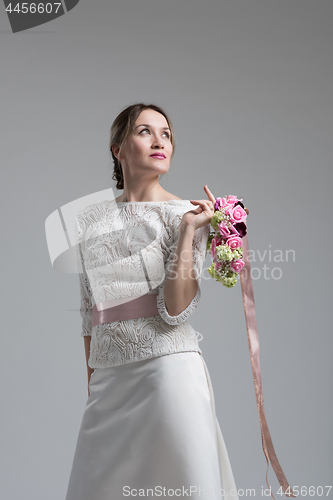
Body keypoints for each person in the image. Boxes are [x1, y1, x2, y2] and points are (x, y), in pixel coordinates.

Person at [65, 103, 240, 500]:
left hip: (168, 373)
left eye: (166, 134)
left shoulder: (187, 214)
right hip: (109, 381)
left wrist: (187, 233)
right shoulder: (91, 221)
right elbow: (89, 311)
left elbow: (176, 309)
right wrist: (94, 384)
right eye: (145, 132)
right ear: (118, 148)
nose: (160, 141)